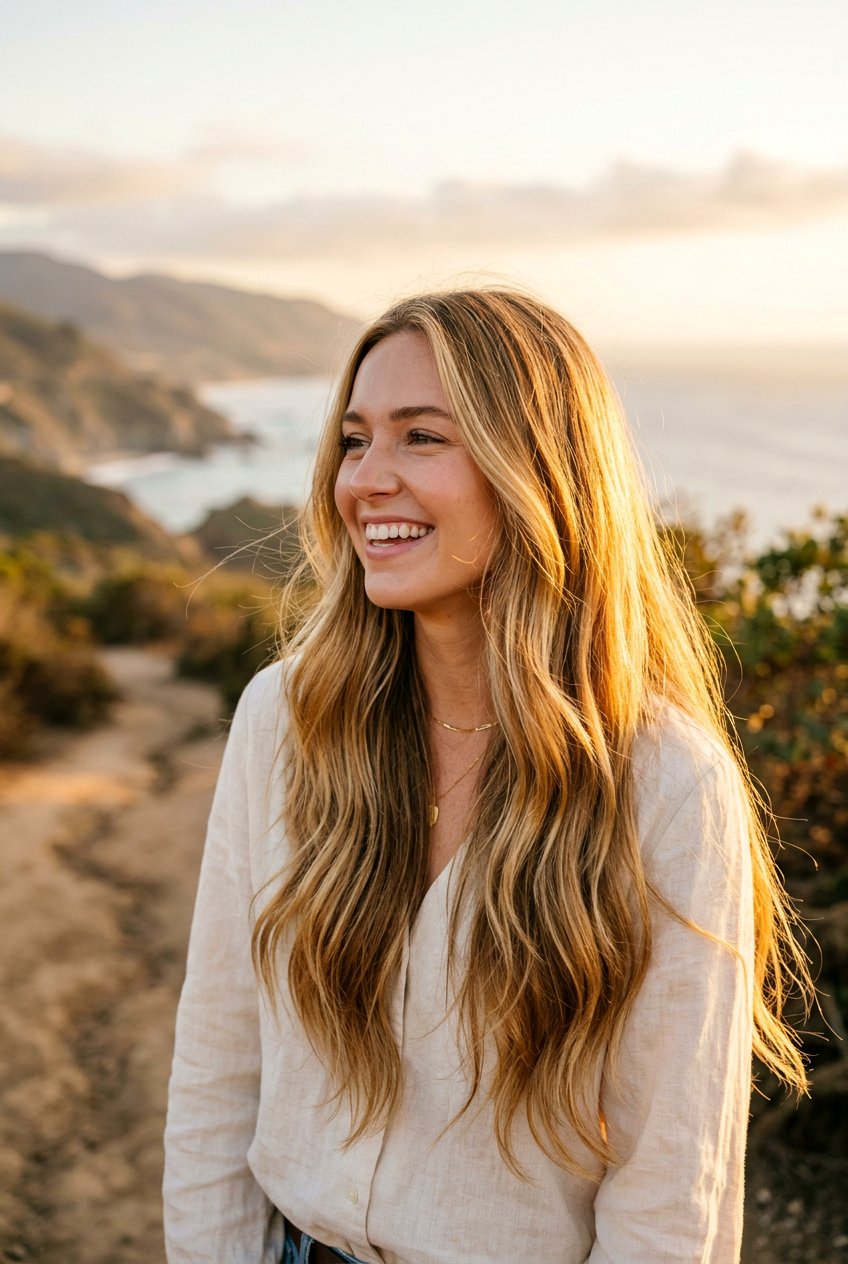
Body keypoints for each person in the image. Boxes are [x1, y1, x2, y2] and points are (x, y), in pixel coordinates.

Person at [163, 289, 810, 1264]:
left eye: (420, 437)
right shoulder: (286, 722)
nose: (364, 480)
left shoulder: (664, 784)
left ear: (538, 472)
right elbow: (218, 1064)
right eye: (353, 439)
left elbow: (669, 1190)